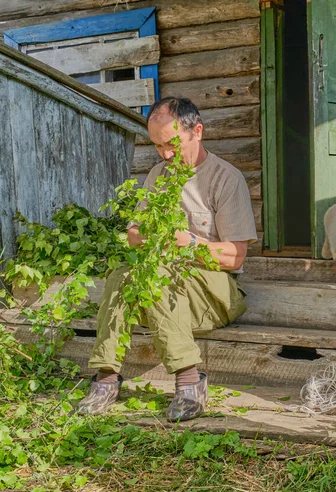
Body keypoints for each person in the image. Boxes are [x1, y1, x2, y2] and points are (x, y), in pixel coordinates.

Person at [78, 97, 258, 421]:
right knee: (122, 273)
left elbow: (235, 257)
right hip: (167, 290)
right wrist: (150, 238)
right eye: (158, 146)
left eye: (172, 144)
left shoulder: (225, 179)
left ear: (197, 131)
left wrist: (187, 244)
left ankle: (190, 381)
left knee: (158, 273)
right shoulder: (158, 175)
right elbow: (133, 235)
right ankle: (106, 377)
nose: (166, 154)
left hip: (216, 294)